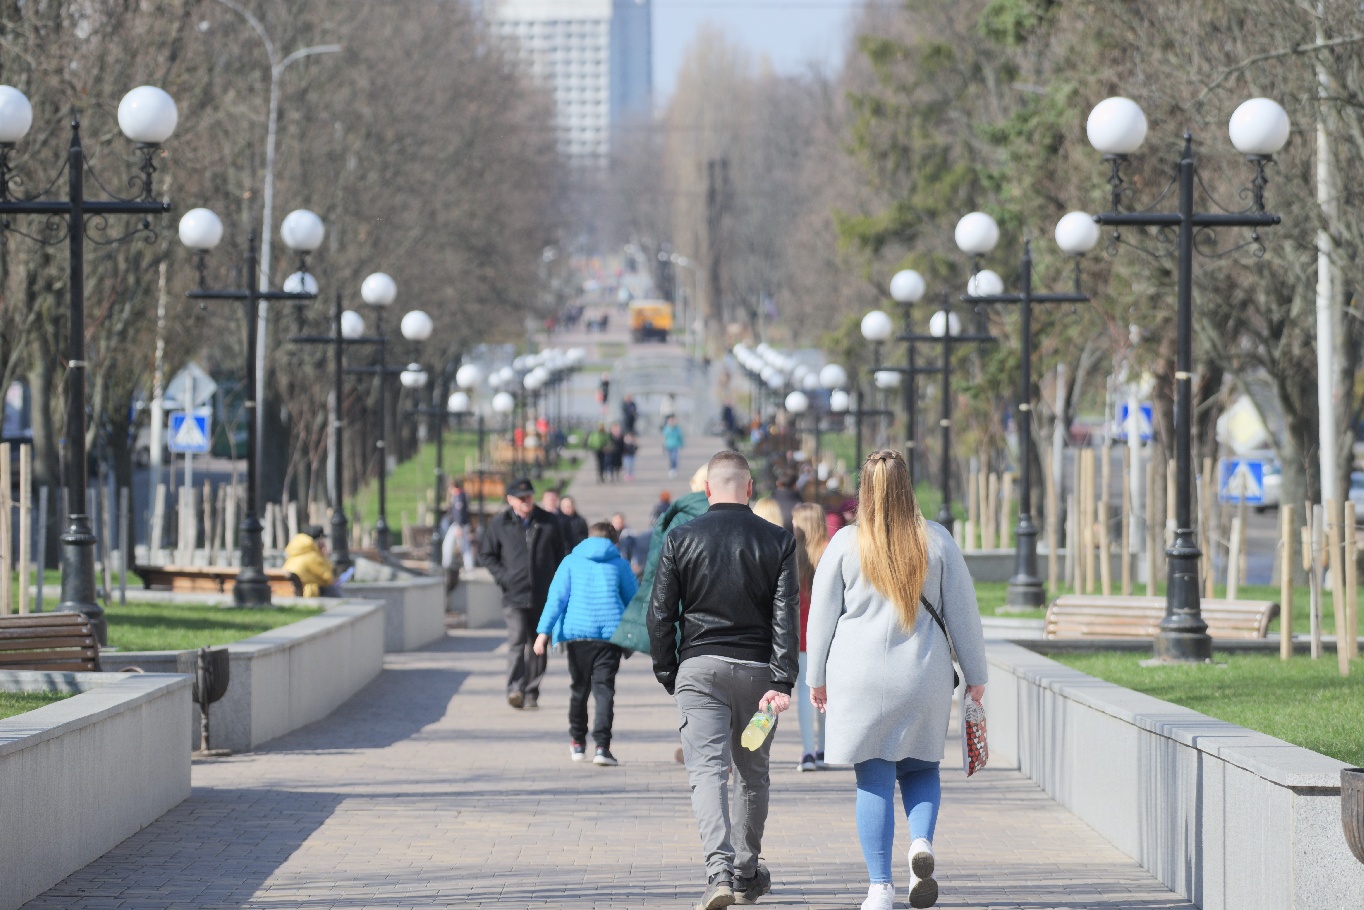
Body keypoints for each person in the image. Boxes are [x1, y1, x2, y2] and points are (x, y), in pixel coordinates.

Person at [805, 451, 988, 910]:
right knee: (921, 767)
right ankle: (920, 843)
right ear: (908, 487)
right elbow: (964, 615)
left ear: (864, 491)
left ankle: (879, 888)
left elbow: (821, 619)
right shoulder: (937, 541)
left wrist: (815, 677)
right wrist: (976, 676)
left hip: (859, 678)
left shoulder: (845, 544)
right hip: (923, 675)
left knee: (873, 777)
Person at [648, 450, 799, 909]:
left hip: (699, 667)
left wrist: (669, 672)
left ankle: (718, 871)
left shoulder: (680, 537)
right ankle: (746, 872)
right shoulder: (778, 540)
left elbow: (660, 614)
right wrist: (783, 680)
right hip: (758, 674)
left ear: (707, 489)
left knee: (707, 772)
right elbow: (786, 616)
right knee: (752, 774)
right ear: (749, 488)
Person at [533, 521, 639, 766]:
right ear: (614, 542)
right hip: (610, 637)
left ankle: (578, 742)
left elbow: (556, 599)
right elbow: (634, 601)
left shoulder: (570, 561)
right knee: (604, 691)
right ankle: (602, 747)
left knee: (579, 689)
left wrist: (542, 633)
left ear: (588, 538)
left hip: (577, 635)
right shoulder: (620, 564)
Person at [479, 478, 570, 710]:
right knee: (517, 640)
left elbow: (561, 555)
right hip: (514, 595)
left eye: (528, 496)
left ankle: (531, 692)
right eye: (521, 498)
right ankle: (515, 689)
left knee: (538, 645)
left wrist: (557, 583)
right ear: (510, 500)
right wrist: (504, 578)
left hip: (543, 596)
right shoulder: (500, 523)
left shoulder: (548, 521)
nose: (526, 501)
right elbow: (487, 555)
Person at [791, 502, 829, 772]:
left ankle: (807, 752)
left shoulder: (794, 555)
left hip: (802, 633)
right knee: (827, 693)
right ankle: (825, 748)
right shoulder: (830, 552)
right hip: (830, 635)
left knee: (806, 692)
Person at [283, 525, 340, 597]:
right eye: (322, 539)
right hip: (307, 593)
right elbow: (328, 578)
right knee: (332, 589)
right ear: (318, 541)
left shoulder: (293, 554)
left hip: (289, 592)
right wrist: (324, 556)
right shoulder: (312, 557)